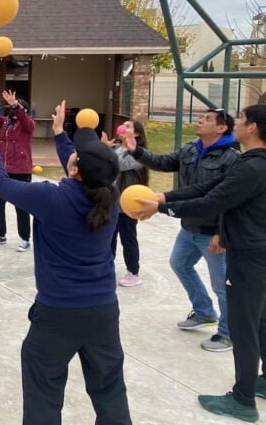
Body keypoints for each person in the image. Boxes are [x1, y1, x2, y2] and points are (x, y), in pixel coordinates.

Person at [0, 101, 132, 425]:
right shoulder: (110, 198)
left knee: (44, 391)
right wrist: (59, 133)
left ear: (73, 170)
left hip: (58, 313)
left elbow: (1, 184)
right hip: (103, 311)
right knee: (109, 388)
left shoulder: (50, 198)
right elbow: (82, 169)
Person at [132, 105, 266, 423]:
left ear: (254, 128)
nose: (238, 123)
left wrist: (162, 209)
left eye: (243, 120)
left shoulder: (250, 167)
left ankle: (243, 400)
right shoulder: (252, 163)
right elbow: (208, 188)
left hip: (249, 257)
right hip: (256, 252)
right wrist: (163, 198)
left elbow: (212, 201)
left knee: (244, 328)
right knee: (260, 322)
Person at [125, 108, 239, 351]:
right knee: (180, 264)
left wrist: (222, 232)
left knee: (222, 285)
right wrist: (137, 151)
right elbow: (163, 162)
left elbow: (229, 200)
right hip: (189, 226)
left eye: (208, 119)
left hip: (214, 232)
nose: (200, 120)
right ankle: (204, 312)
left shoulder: (232, 158)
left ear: (221, 128)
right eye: (202, 117)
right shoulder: (191, 148)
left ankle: (228, 334)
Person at [0, 86, 35, 250]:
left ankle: (25, 238)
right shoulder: (6, 122)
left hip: (21, 170)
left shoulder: (28, 124)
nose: (14, 109)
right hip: (5, 168)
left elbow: (24, 120)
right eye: (12, 106)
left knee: (21, 205)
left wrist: (17, 105)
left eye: (17, 106)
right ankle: (1, 234)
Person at [103, 119, 149, 288]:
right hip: (111, 202)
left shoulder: (139, 153)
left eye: (128, 126)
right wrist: (105, 148)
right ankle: (107, 268)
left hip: (127, 205)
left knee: (128, 238)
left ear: (136, 134)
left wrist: (106, 151)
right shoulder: (115, 148)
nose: (122, 127)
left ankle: (133, 272)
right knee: (109, 237)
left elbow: (119, 165)